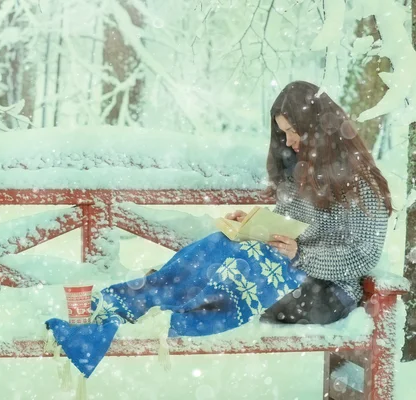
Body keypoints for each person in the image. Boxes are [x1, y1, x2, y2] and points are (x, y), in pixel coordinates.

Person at [45, 80, 392, 380]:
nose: (289, 140)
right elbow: (294, 229)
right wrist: (256, 226)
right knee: (221, 245)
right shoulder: (301, 173)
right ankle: (139, 300)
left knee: (235, 273)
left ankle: (156, 307)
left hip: (329, 294)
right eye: (283, 132)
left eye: (293, 130)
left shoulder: (360, 185)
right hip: (292, 273)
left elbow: (362, 257)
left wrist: (301, 254)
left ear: (317, 128)